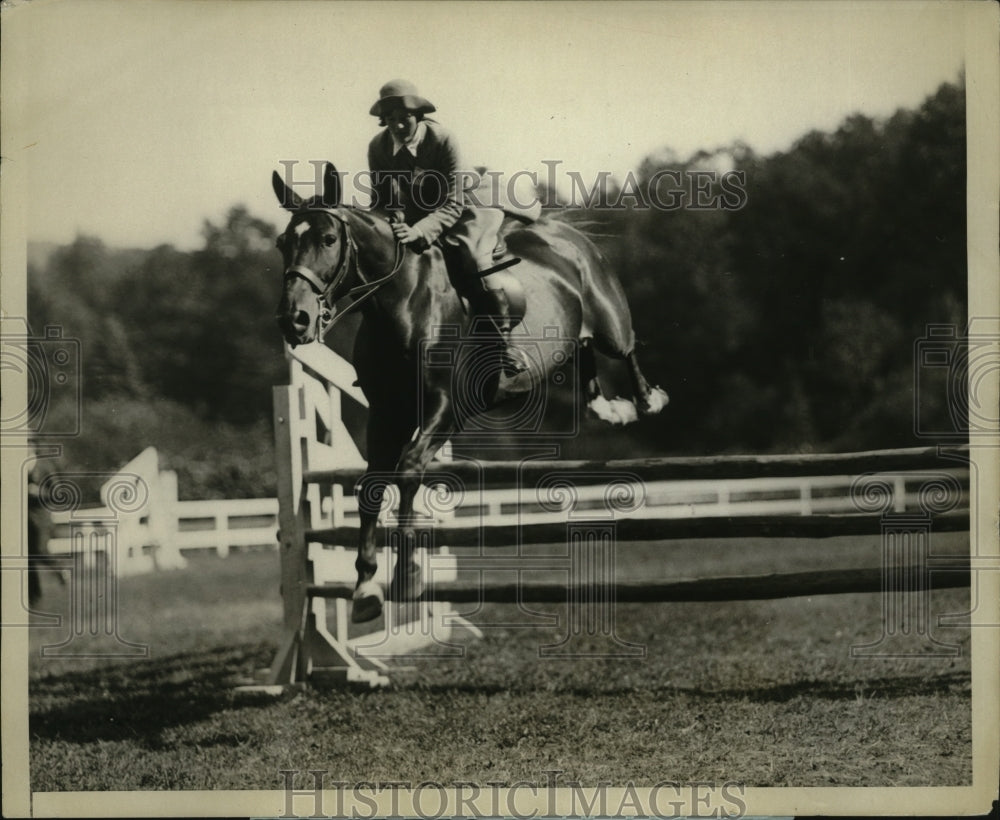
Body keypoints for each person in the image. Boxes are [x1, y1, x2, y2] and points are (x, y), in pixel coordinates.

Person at [367, 79, 526, 374]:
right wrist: (395, 220)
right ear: (383, 120)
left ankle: (506, 344)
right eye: (391, 120)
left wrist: (418, 231)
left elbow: (452, 204)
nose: (398, 126)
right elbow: (382, 198)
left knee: (474, 257)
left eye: (405, 119)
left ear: (418, 116)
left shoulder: (443, 139)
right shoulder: (377, 147)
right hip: (421, 213)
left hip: (467, 205)